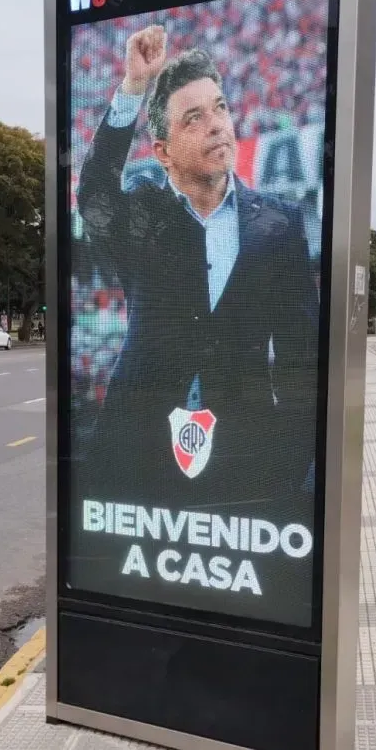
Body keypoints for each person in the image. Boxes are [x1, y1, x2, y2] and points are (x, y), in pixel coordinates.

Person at [75, 25, 318, 512]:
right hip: (134, 452)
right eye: (193, 118)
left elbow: (299, 359)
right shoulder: (143, 215)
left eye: (221, 108)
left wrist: (290, 462)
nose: (216, 125)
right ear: (162, 153)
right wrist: (132, 91)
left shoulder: (278, 222)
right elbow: (96, 197)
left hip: (247, 456)